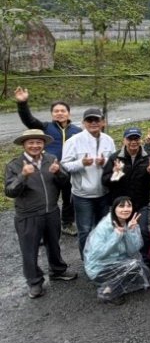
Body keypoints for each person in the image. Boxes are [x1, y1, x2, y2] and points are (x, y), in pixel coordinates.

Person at [5, 129, 78, 298]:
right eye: (30, 142)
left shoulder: (51, 159)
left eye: (38, 142)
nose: (35, 145)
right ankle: (35, 282)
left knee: (54, 244)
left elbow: (65, 182)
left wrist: (58, 172)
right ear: (24, 144)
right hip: (28, 215)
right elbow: (10, 192)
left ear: (43, 144)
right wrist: (23, 176)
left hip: (51, 211)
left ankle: (57, 270)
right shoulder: (15, 165)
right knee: (29, 250)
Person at [14, 87, 82, 235]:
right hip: (49, 170)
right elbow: (29, 120)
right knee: (47, 198)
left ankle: (67, 223)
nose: (60, 113)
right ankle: (44, 229)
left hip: (68, 170)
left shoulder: (77, 131)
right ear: (52, 114)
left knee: (69, 198)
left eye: (63, 110)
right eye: (56, 111)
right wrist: (22, 103)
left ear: (69, 113)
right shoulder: (45, 127)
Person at [62, 108, 116, 258]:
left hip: (104, 193)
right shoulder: (73, 141)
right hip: (82, 196)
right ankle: (88, 260)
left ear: (103, 122)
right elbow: (65, 165)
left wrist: (105, 162)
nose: (93, 123)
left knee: (103, 229)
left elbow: (115, 163)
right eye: (89, 120)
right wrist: (81, 163)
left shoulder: (109, 140)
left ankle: (102, 258)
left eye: (96, 120)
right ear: (83, 123)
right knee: (85, 230)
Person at [102, 127, 150, 261]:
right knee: (121, 233)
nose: (133, 142)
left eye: (136, 138)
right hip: (121, 205)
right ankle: (123, 261)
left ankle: (146, 261)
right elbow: (105, 181)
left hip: (141, 203)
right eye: (130, 139)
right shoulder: (115, 158)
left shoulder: (148, 156)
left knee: (143, 231)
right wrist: (116, 174)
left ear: (140, 140)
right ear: (124, 140)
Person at [83, 196, 150, 305]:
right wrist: (116, 235)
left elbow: (133, 250)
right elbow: (97, 254)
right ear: (114, 208)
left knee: (145, 273)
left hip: (118, 262)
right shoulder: (105, 226)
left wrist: (130, 231)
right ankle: (107, 292)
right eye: (121, 206)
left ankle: (113, 282)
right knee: (135, 267)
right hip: (99, 268)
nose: (126, 209)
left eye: (129, 206)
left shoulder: (129, 222)